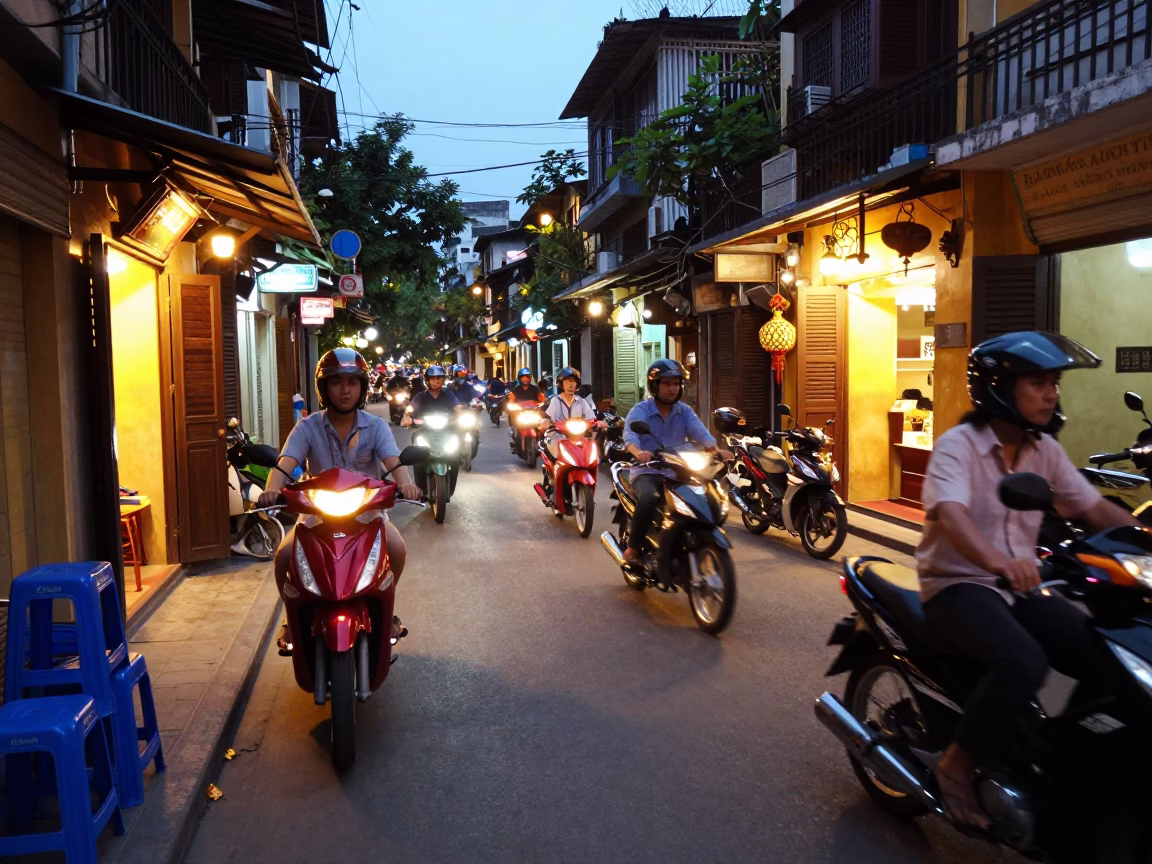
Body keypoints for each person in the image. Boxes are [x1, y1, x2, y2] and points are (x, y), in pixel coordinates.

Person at [916, 331, 1140, 829]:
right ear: (1000, 387)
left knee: (1106, 650)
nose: (1051, 393)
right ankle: (955, 765)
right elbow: (951, 515)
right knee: (1024, 661)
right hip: (957, 586)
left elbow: (1091, 506)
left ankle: (1065, 756)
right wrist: (998, 560)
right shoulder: (959, 446)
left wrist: (1143, 536)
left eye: (1054, 383)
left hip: (1022, 587)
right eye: (1038, 383)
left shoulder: (1043, 450)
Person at [257, 348, 422, 642]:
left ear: (361, 387)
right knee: (283, 556)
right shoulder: (307, 427)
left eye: (352, 382)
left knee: (396, 548)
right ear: (324, 388)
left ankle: (387, 610)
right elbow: (285, 464)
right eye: (336, 382)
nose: (344, 390)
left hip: (367, 512)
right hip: (317, 513)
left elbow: (394, 462)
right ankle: (291, 616)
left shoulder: (376, 426)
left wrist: (405, 484)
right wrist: (271, 490)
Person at [621, 359, 733, 564]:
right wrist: (639, 452)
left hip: (678, 469)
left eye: (676, 384)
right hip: (648, 471)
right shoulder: (641, 410)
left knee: (706, 495)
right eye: (666, 383)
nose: (672, 389)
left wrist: (717, 449)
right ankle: (634, 547)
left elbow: (700, 432)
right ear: (655, 385)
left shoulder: (684, 411)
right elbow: (630, 438)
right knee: (648, 497)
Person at [401, 364, 461, 492]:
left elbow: (457, 407)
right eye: (433, 378)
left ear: (443, 380)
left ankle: (450, 489)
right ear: (427, 380)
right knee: (417, 456)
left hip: (447, 430)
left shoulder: (448, 395)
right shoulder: (421, 396)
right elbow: (411, 409)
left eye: (439, 378)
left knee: (456, 456)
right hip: (424, 430)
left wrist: (461, 415)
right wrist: (407, 416)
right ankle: (421, 490)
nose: (436, 381)